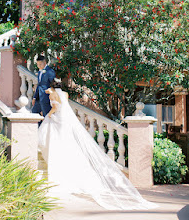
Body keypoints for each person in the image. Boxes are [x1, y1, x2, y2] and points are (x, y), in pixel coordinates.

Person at [38, 80, 158, 211]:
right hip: (64, 122)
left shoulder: (52, 95)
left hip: (57, 119)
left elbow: (55, 108)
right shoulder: (65, 94)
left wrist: (48, 115)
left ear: (51, 87)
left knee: (54, 141)